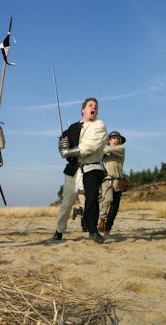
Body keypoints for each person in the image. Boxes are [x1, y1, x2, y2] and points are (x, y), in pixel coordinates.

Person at [57, 97, 108, 244]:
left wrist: (70, 152)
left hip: (92, 167)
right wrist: (62, 145)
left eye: (96, 106)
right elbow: (63, 144)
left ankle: (93, 231)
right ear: (83, 110)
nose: (94, 108)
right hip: (74, 169)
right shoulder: (73, 127)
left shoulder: (99, 125)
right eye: (91, 105)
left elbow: (90, 146)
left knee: (91, 199)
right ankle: (59, 231)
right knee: (66, 202)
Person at [98, 131, 126, 236]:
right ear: (109, 140)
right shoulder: (104, 152)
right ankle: (102, 219)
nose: (116, 140)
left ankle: (107, 230)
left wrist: (102, 150)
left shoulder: (121, 149)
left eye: (118, 139)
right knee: (107, 200)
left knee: (115, 208)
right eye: (114, 138)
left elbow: (107, 150)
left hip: (119, 181)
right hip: (107, 180)